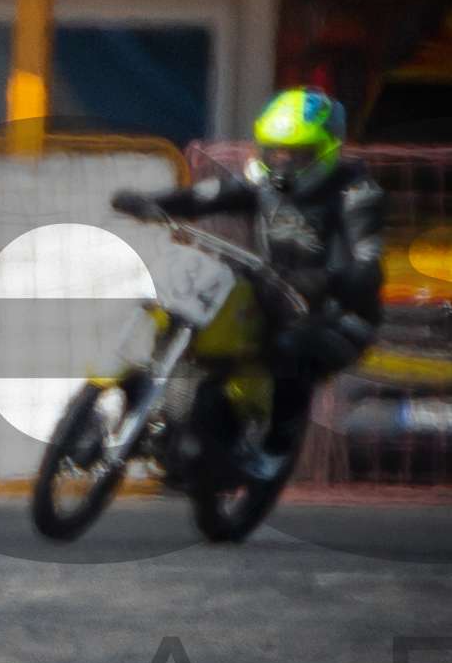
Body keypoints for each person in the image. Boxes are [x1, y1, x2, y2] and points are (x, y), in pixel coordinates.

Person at [114, 87, 385, 482]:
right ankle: (156, 408)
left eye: (297, 153)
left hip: (340, 315)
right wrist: (155, 203)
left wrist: (329, 281)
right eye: (275, 151)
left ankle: (275, 448)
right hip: (275, 297)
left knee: (291, 351)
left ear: (325, 151)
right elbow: (208, 195)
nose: (283, 161)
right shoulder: (266, 181)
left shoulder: (356, 194)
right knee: (201, 315)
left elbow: (367, 264)